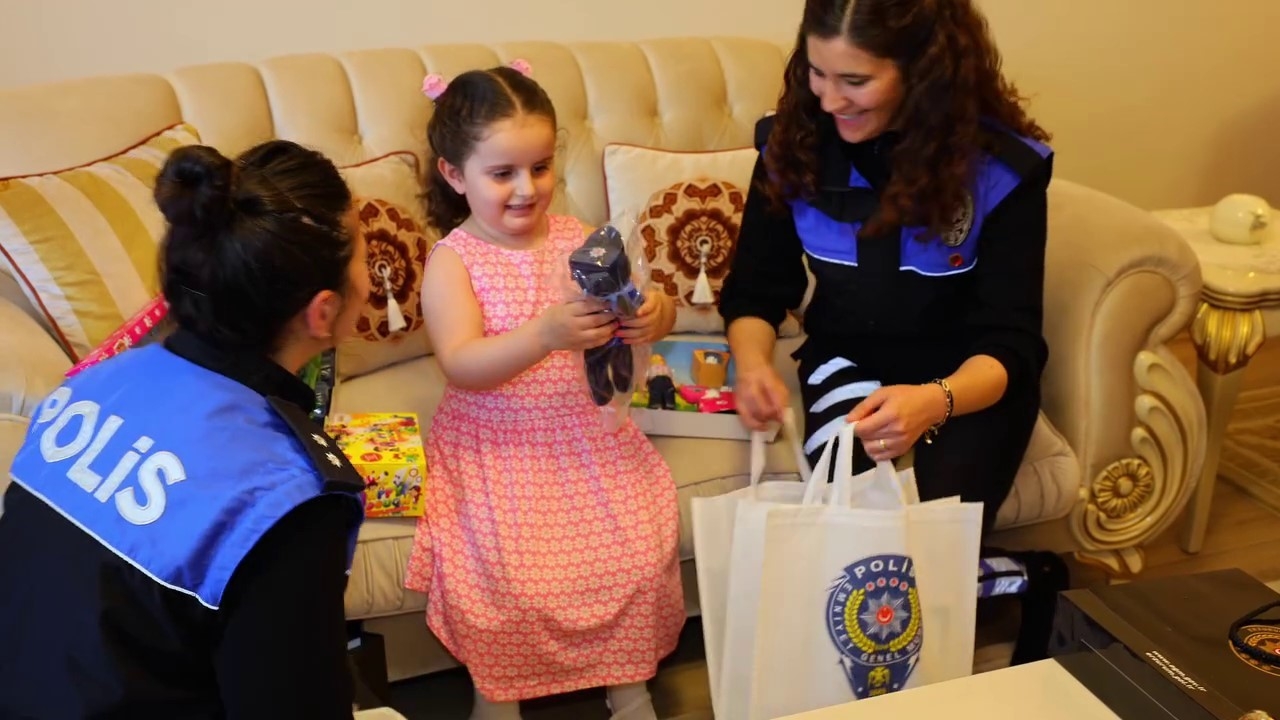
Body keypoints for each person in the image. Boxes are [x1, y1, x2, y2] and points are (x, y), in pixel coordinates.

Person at [718, 0, 1067, 661]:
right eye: (818, 73)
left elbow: (1013, 343)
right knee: (848, 550)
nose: (829, 101)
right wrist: (754, 364)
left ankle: (1033, 578)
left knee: (928, 552)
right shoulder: (794, 145)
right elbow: (756, 292)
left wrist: (933, 401)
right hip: (847, 357)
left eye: (855, 81)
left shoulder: (1001, 170)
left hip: (970, 380)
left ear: (923, 71)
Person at [0, 140, 385, 718]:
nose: (370, 273)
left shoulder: (92, 385)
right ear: (323, 310)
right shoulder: (286, 501)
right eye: (362, 252)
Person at [405, 61, 684, 720]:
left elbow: (633, 303)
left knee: (638, 555)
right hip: (497, 447)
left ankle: (629, 686)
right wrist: (545, 334)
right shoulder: (453, 261)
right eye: (502, 173)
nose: (527, 189)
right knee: (502, 582)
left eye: (540, 167)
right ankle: (498, 696)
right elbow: (461, 363)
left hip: (585, 431)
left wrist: (655, 314)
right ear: (455, 175)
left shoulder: (577, 237)